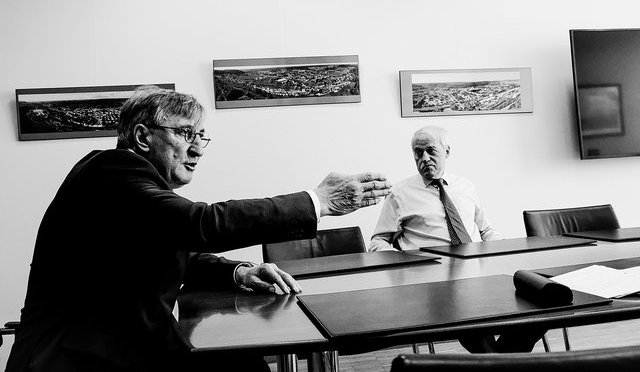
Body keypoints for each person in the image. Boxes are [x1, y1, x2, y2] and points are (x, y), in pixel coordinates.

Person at [6, 86, 391, 372]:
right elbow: (201, 223)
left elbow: (176, 252)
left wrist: (237, 270)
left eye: (201, 136)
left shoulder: (131, 187)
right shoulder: (112, 171)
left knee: (244, 364)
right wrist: (317, 201)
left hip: (120, 347)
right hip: (72, 359)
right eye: (186, 134)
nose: (199, 149)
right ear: (143, 137)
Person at [369, 125, 544, 353]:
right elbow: (377, 242)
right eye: (418, 152)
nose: (424, 158)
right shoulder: (399, 193)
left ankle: (500, 362)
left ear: (447, 151)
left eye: (431, 151)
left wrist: (506, 252)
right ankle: (502, 363)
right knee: (468, 312)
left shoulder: (466, 186)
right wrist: (405, 262)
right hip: (434, 282)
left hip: (481, 273)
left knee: (543, 300)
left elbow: (486, 230)